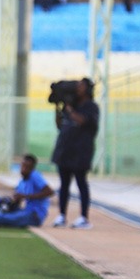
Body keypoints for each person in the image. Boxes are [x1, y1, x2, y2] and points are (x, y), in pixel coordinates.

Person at [51, 78, 99, 229]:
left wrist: (70, 109)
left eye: (81, 86)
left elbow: (82, 121)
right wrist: (59, 108)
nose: (78, 88)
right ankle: (61, 215)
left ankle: (84, 217)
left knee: (81, 183)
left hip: (81, 151)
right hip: (65, 149)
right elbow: (60, 125)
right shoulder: (70, 105)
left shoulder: (91, 107)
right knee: (64, 185)